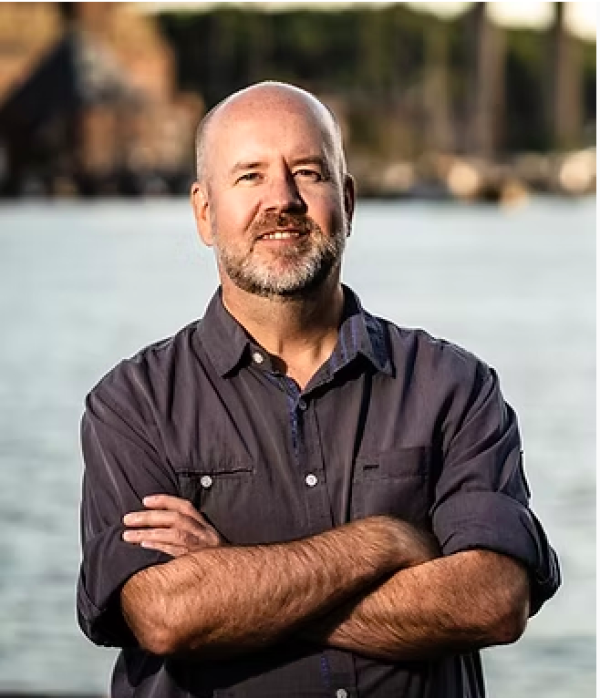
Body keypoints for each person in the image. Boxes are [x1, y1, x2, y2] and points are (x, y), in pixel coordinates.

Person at [77, 81, 560, 698]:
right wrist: (384, 542)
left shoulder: (454, 388)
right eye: (250, 176)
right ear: (204, 212)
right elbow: (166, 615)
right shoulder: (134, 405)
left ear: (348, 201)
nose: (282, 200)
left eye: (307, 172)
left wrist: (233, 580)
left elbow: (492, 601)